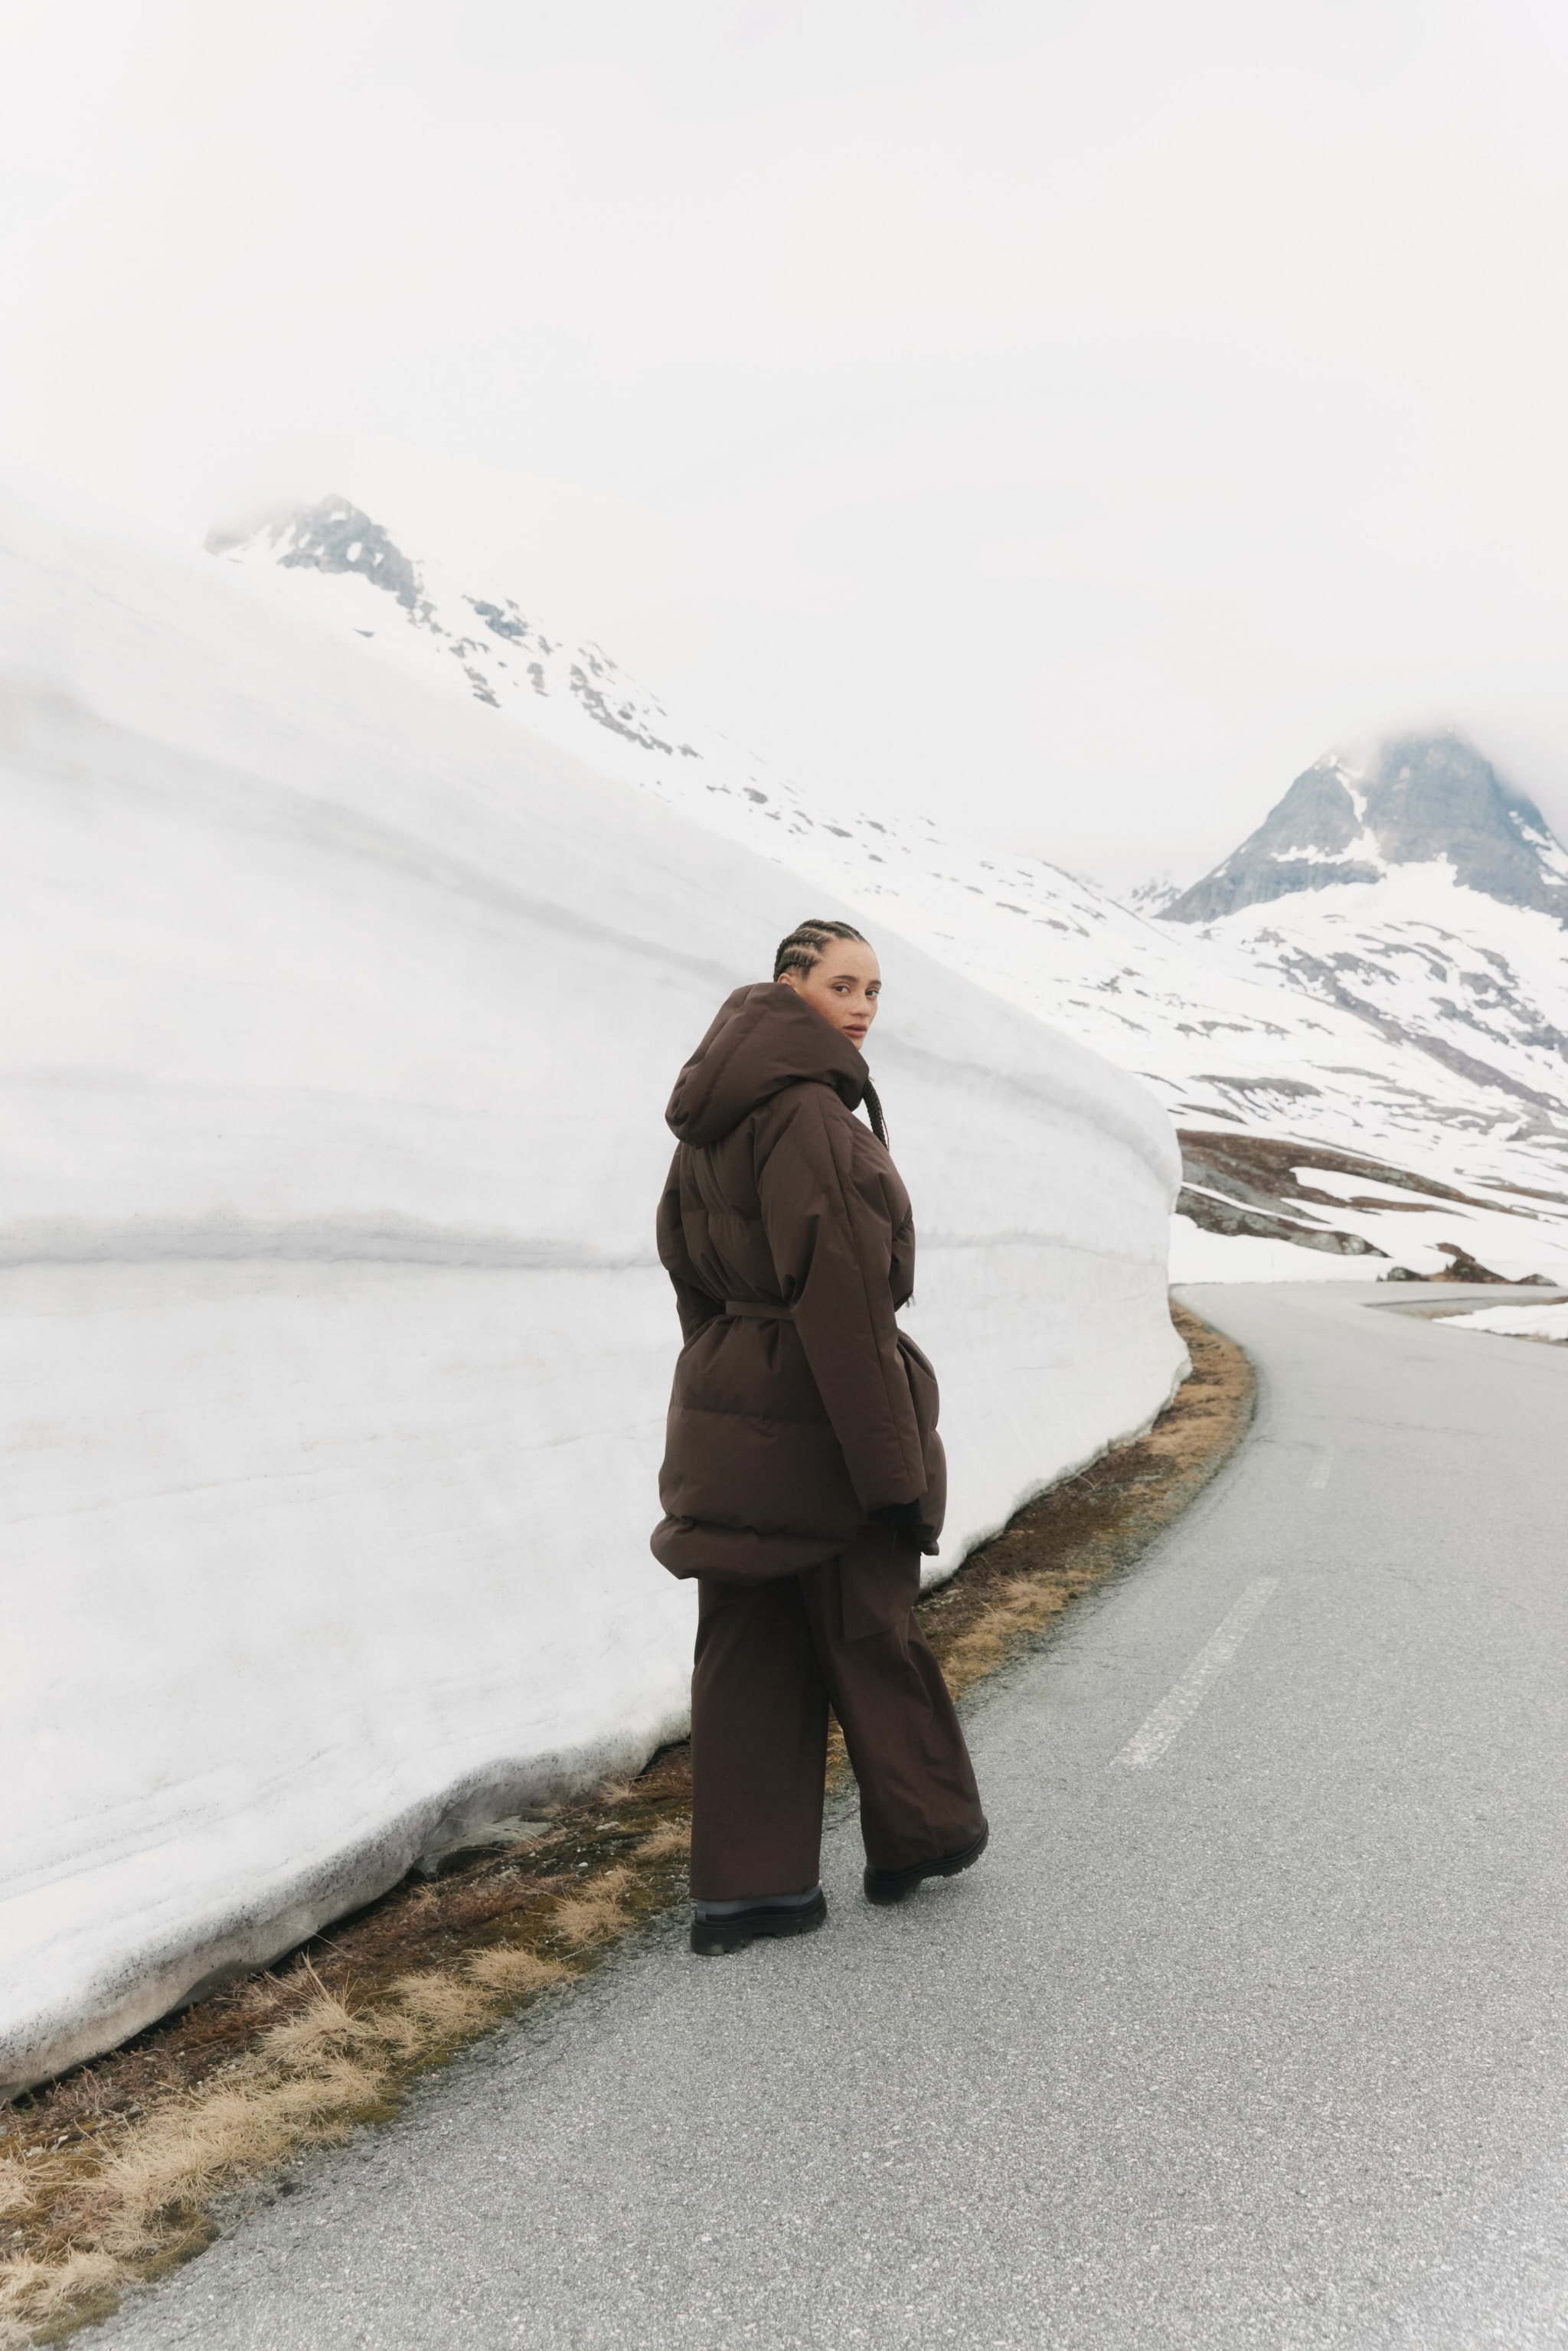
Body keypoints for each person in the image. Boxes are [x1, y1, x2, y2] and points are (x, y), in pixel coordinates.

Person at [652, 918, 988, 1957]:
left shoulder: (711, 1113)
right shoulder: (808, 1114)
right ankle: (919, 1837)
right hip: (823, 1408)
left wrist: (726, 1376)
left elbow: (685, 1264)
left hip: (732, 1400)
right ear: (787, 986)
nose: (862, 1008)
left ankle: (749, 1894)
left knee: (747, 1646)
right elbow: (841, 1292)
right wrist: (890, 1472)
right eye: (842, 984)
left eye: (875, 990)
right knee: (869, 1624)